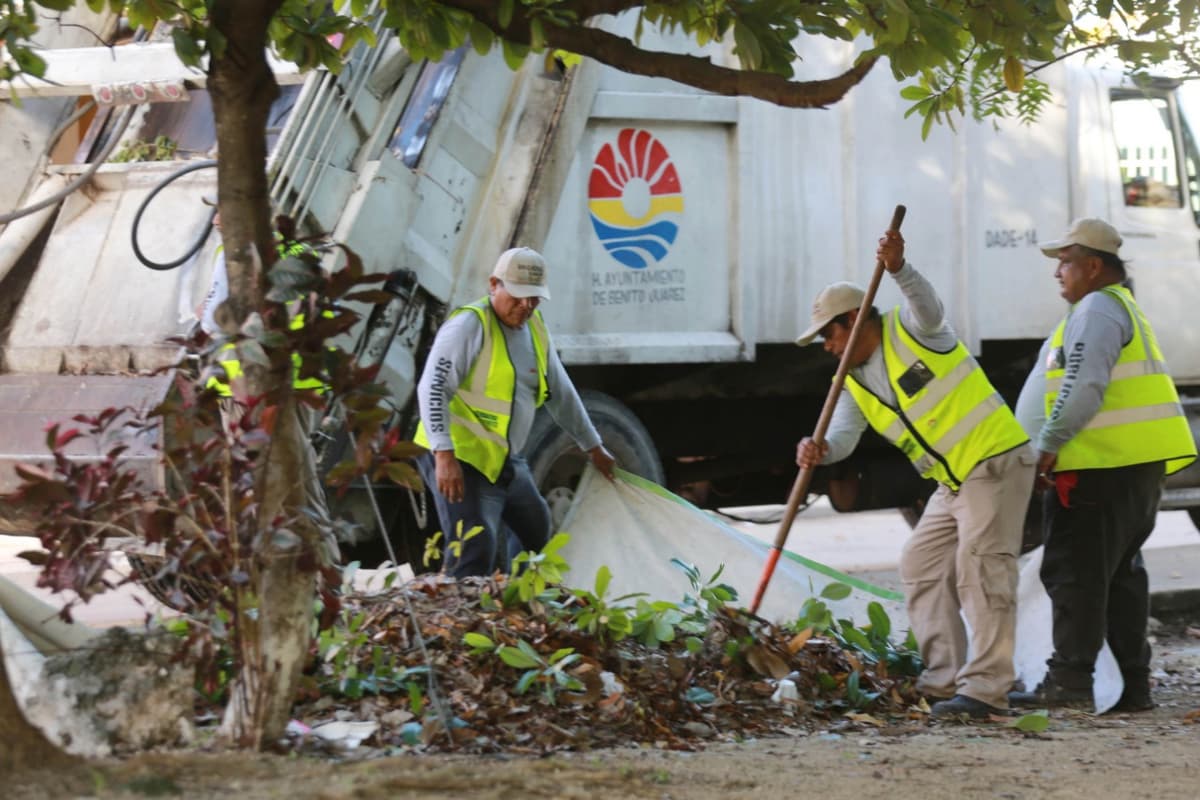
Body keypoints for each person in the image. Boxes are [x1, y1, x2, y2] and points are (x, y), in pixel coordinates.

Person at [795, 230, 1036, 720]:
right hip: (954, 482)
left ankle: (987, 689)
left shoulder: (914, 330)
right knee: (921, 563)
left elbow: (929, 306)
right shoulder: (852, 382)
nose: (826, 346)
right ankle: (944, 678)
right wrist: (819, 452)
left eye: (829, 334)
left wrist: (900, 267)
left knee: (981, 572)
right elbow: (841, 438)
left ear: (854, 320)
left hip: (992, 460)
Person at [1009, 218, 1196, 712]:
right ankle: (1134, 686)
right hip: (1130, 466)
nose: (1058, 274)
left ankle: (1069, 683)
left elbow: (1082, 385)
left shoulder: (1096, 309)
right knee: (1119, 578)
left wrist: (1049, 443)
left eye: (1065, 262)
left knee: (1077, 573)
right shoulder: (1115, 307)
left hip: (1099, 468)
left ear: (1093, 267)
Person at [414, 247, 616, 577]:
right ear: (494, 284)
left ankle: (515, 606)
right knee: (474, 551)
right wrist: (443, 455)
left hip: (503, 458)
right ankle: (465, 621)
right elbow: (432, 388)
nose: (526, 306)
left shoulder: (535, 329)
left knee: (537, 532)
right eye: (519, 296)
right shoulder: (469, 325)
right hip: (461, 456)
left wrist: (593, 447)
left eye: (534, 299)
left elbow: (561, 392)